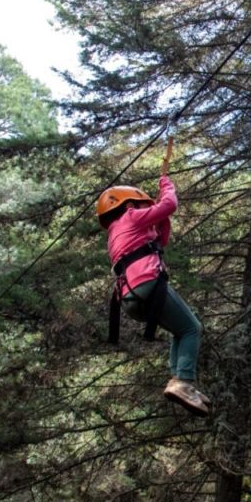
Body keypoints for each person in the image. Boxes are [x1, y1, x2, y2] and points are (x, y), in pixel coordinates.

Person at [96, 166, 210, 417]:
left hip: (129, 299)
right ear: (129, 206)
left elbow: (161, 239)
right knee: (193, 328)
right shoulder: (130, 216)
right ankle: (184, 381)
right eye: (141, 205)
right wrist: (165, 184)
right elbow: (170, 204)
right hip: (148, 285)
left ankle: (178, 381)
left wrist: (160, 216)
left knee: (179, 330)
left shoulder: (117, 231)